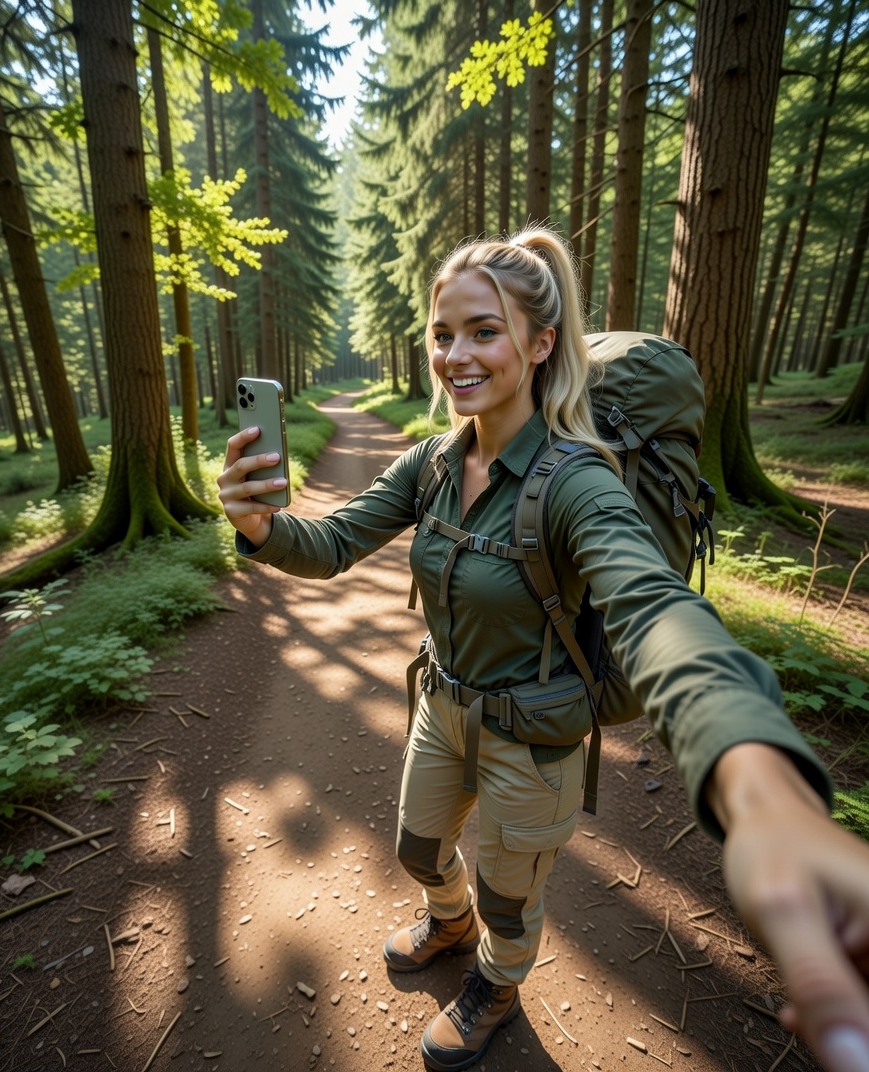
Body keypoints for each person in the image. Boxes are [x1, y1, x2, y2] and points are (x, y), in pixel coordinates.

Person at [217, 226, 869, 1072]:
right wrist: (259, 527)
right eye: (442, 333)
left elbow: (653, 604)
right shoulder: (433, 462)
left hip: (533, 733)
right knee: (419, 849)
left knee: (510, 895)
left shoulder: (579, 480)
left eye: (483, 331)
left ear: (540, 343)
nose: (455, 355)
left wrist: (756, 777)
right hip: (443, 706)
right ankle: (449, 923)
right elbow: (334, 541)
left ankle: (496, 984)